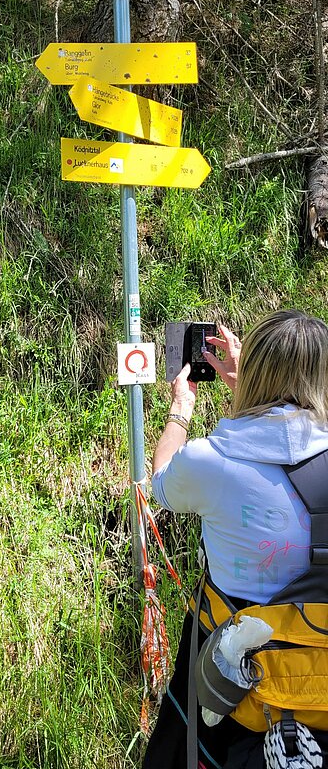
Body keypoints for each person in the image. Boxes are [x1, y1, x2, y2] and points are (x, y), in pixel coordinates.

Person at [142, 309, 328, 769]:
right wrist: (256, 392)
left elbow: (161, 481)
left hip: (234, 682)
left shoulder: (210, 462)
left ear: (254, 373)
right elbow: (288, 440)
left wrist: (180, 410)